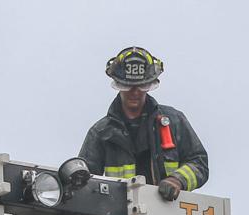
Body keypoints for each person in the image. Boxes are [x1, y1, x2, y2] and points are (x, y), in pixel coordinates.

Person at [79, 47, 208, 201]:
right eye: (128, 86)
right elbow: (83, 184)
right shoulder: (101, 133)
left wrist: (177, 179)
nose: (135, 92)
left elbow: (199, 162)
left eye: (141, 86)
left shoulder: (174, 122)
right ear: (118, 85)